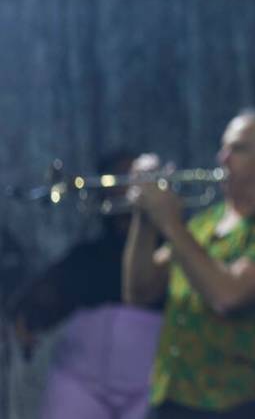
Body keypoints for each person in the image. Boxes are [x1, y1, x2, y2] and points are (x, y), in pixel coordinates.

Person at [123, 110, 255, 419]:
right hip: (170, 398)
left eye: (237, 148)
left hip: (233, 406)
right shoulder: (203, 225)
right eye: (224, 147)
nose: (222, 157)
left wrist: (170, 223)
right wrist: (145, 218)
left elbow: (228, 295)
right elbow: (139, 292)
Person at [9, 150, 163, 419]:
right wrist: (25, 318)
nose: (128, 187)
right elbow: (43, 296)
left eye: (136, 178)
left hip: (150, 379)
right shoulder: (88, 256)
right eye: (120, 179)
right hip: (80, 381)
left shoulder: (170, 249)